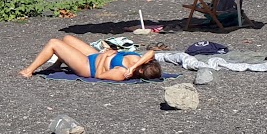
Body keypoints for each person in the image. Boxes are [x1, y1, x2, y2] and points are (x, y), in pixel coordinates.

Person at [19, 35, 161, 82]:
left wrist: (104, 57)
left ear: (141, 71)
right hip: (95, 55)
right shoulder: (138, 61)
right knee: (67, 38)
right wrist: (134, 66)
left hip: (88, 66)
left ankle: (29, 70)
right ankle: (57, 64)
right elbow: (151, 52)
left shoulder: (122, 73)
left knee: (54, 43)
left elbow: (99, 75)